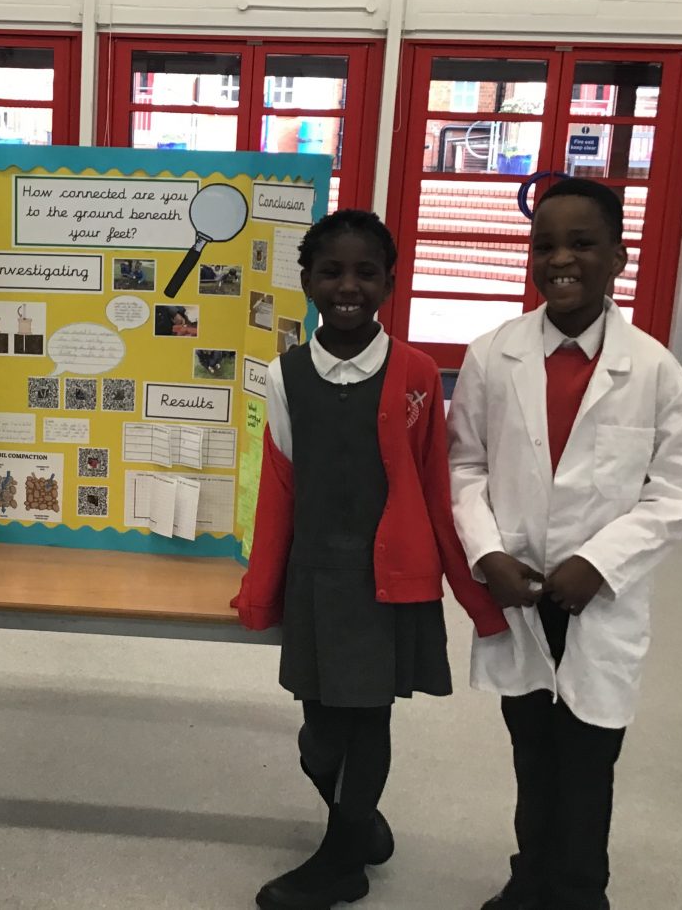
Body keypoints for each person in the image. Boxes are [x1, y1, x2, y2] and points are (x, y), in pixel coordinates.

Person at [233, 210, 508, 910]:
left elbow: (437, 487)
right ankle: (358, 824)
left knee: (368, 719)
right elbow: (279, 489)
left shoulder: (417, 373)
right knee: (320, 734)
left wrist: (476, 593)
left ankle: (341, 862)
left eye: (366, 272)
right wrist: (262, 588)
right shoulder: (285, 374)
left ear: (389, 282)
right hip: (316, 578)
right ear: (307, 281)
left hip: (388, 582)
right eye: (331, 272)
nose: (348, 286)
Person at [448, 178, 682, 910]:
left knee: (591, 755)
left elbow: (679, 489)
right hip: (519, 590)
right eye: (545, 246)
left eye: (582, 244)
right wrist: (486, 553)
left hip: (601, 600)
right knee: (531, 746)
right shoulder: (491, 356)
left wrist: (599, 561)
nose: (561, 259)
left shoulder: (651, 367)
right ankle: (531, 876)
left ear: (618, 257)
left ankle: (580, 891)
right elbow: (463, 466)